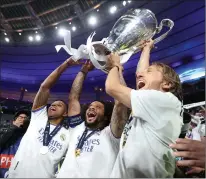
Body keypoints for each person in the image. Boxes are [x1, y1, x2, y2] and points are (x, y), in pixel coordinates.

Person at [106, 39, 183, 178]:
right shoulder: (153, 106)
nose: (139, 75)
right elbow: (140, 74)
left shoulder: (163, 101)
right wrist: (146, 48)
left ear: (166, 84)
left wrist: (115, 65)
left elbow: (111, 87)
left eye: (150, 72)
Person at [8, 57, 80, 178]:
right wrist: (66, 64)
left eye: (59, 105)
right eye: (52, 104)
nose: (54, 105)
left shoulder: (69, 134)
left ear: (65, 113)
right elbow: (44, 87)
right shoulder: (39, 118)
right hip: (16, 175)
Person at [57, 61, 128, 178]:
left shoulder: (112, 133)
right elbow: (73, 98)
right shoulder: (77, 128)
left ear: (105, 116)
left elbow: (121, 102)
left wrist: (116, 68)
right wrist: (83, 71)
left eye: (98, 107)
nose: (92, 108)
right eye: (90, 107)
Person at [0, 110, 30, 178]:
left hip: (16, 168)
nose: (22, 119)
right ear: (13, 121)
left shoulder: (28, 135)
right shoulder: (4, 130)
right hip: (3, 164)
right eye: (20, 117)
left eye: (25, 118)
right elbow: (2, 141)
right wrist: (14, 127)